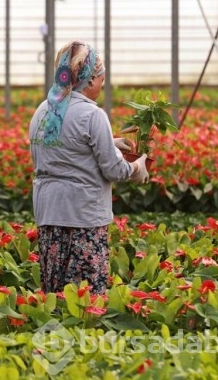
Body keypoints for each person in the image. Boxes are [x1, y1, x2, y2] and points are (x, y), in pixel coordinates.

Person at [28, 40, 149, 295]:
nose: (102, 85)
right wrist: (138, 167)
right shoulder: (92, 115)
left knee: (55, 292)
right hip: (82, 217)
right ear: (90, 80)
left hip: (49, 213)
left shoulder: (43, 110)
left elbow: (58, 148)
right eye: (102, 80)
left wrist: (108, 142)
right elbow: (114, 170)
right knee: (84, 299)